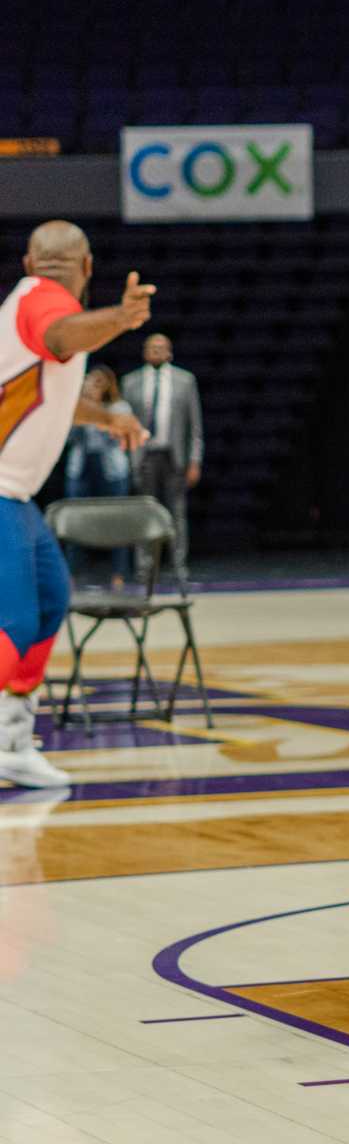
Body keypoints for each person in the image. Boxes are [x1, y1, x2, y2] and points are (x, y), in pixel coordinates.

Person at [0, 221, 155, 787]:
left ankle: (13, 742)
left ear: (27, 260)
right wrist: (121, 318)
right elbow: (63, 335)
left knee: (48, 601)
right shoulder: (45, 304)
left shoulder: (30, 302)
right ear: (87, 267)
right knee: (12, 626)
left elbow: (53, 399)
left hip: (14, 496)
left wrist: (107, 417)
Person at [120, 332, 203, 578]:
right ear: (145, 352)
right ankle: (145, 565)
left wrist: (194, 460)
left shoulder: (185, 381)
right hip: (144, 455)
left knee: (176, 512)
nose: (156, 351)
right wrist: (127, 457)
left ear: (169, 352)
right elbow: (124, 424)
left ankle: (179, 565)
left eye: (161, 347)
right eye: (151, 347)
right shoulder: (131, 382)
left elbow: (194, 425)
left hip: (173, 454)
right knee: (144, 512)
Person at [61, 365, 134, 590]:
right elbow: (69, 437)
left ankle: (119, 573)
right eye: (91, 382)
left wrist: (96, 412)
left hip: (111, 470)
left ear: (109, 385)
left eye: (99, 382)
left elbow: (119, 436)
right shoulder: (76, 407)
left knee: (117, 521)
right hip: (81, 468)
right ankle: (71, 573)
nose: (94, 386)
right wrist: (85, 406)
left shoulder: (119, 407)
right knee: (74, 521)